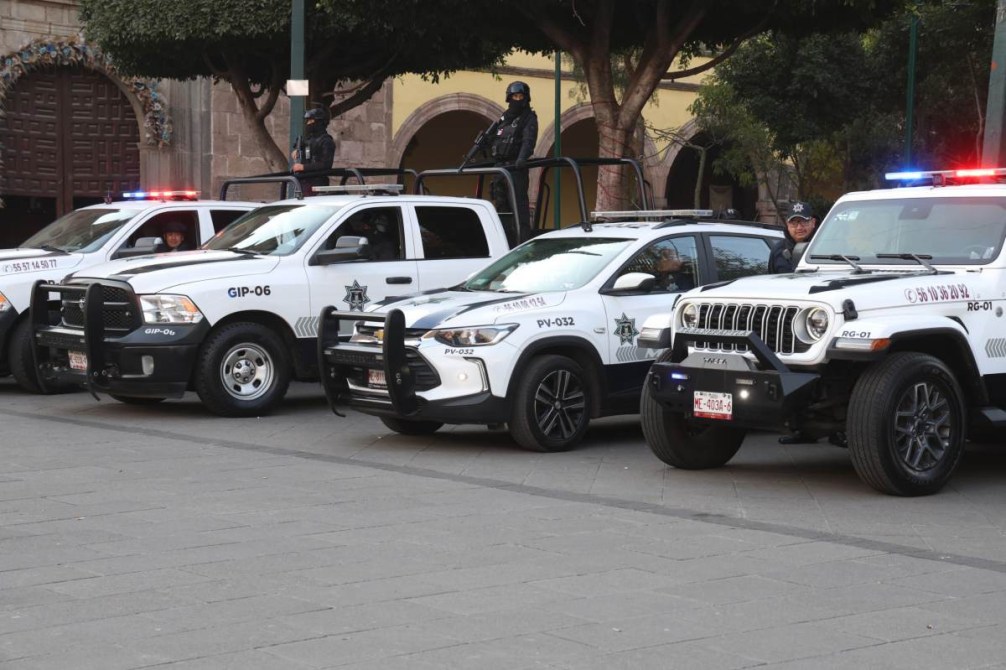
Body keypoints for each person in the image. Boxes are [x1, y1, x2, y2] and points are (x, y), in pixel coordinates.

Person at [489, 81, 538, 244]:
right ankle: (503, 242)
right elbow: (494, 139)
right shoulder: (504, 118)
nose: (517, 99)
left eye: (520, 96)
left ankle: (522, 243)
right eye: (514, 96)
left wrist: (522, 159)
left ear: (525, 98)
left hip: (515, 169)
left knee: (519, 210)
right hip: (499, 170)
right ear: (509, 98)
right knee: (501, 209)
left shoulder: (529, 118)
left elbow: (528, 141)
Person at [291, 107, 336, 195]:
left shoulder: (326, 141)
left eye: (311, 121)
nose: (308, 124)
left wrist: (303, 167)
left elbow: (326, 164)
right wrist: (297, 150)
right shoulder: (309, 139)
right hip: (303, 182)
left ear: (319, 122)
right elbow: (304, 148)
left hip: (317, 184)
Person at [768, 201, 817, 273]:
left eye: (804, 222)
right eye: (794, 223)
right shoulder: (778, 250)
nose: (799, 228)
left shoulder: (822, 247)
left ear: (813, 222)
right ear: (787, 224)